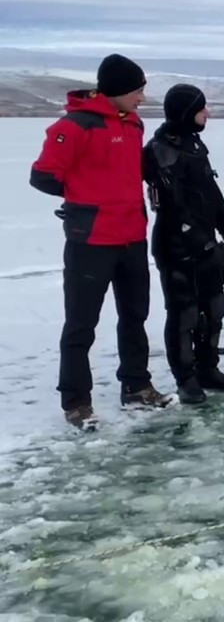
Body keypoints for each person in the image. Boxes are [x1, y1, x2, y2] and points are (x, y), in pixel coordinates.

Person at [29, 53, 171, 429]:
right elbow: (42, 176)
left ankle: (137, 386)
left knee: (135, 316)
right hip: (90, 241)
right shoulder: (75, 126)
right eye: (138, 91)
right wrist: (83, 202)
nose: (142, 98)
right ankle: (76, 403)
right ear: (120, 90)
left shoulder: (134, 124)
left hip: (131, 237)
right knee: (81, 324)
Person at [143, 84, 224, 404]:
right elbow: (173, 206)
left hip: (206, 243)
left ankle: (207, 368)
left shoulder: (194, 145)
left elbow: (210, 192)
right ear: (187, 112)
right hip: (177, 246)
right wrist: (200, 242)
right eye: (202, 109)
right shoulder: (160, 149)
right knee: (185, 313)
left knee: (214, 309)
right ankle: (185, 377)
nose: (208, 113)